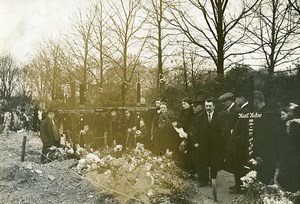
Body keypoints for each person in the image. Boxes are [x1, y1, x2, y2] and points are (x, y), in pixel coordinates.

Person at [252, 91, 280, 185]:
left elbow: (263, 136)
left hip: (265, 154)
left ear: (255, 101)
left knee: (265, 180)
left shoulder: (264, 115)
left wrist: (259, 154)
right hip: (269, 152)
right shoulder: (269, 112)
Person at [196, 98, 221, 187]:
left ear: (214, 106)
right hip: (203, 144)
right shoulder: (200, 117)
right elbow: (196, 130)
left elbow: (223, 131)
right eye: (206, 106)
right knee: (203, 162)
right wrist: (196, 141)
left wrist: (221, 144)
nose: (208, 108)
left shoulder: (219, 116)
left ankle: (213, 179)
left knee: (214, 162)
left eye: (210, 106)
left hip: (215, 144)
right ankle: (203, 180)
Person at [230, 91, 250, 194]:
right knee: (237, 165)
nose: (235, 100)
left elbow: (245, 130)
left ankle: (240, 187)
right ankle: (238, 184)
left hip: (241, 145)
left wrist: (236, 139)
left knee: (240, 165)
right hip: (238, 143)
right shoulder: (243, 109)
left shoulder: (246, 110)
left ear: (242, 98)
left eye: (237, 98)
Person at [278, 103, 300, 193]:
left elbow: (291, 139)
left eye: (290, 111)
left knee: (292, 171)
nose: (288, 112)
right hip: (295, 150)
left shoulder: (293, 123)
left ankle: (292, 190)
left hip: (292, 151)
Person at [218, 93, 241, 174]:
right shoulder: (225, 111)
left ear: (231, 100)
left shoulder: (237, 110)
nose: (222, 104)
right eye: (221, 102)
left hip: (234, 139)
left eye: (224, 101)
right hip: (226, 139)